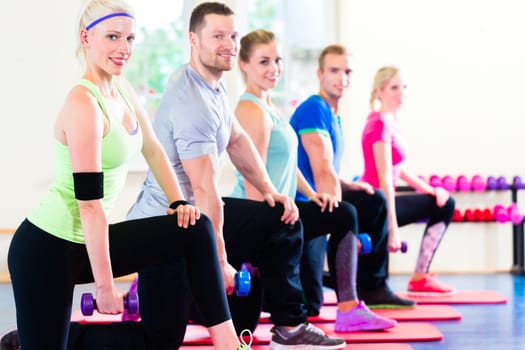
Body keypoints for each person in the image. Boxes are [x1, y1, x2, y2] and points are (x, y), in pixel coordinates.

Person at [1, 1, 250, 349]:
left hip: (89, 241)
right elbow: (89, 206)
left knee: (195, 227)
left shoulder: (122, 90)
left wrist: (178, 201)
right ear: (86, 37)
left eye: (130, 38)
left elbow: (154, 150)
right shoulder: (82, 104)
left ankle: (229, 343)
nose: (124, 48)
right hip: (46, 249)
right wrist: (104, 285)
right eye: (113, 37)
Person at [126, 2, 346, 349]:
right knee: (157, 339)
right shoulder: (192, 101)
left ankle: (287, 325)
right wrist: (221, 262)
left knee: (281, 217)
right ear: (193, 40)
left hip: (189, 221)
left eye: (232, 35)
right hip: (163, 228)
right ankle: (47, 340)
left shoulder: (213, 87)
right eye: (217, 36)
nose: (228, 43)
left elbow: (238, 142)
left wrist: (271, 190)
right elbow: (205, 188)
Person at [232, 29, 396, 333]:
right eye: (263, 61)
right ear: (244, 65)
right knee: (242, 325)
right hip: (261, 211)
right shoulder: (250, 110)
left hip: (282, 209)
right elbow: (252, 174)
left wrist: (312, 194)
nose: (273, 69)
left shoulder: (272, 108)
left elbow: (289, 166)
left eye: (277, 60)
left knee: (341, 213)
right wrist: (260, 235)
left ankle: (349, 309)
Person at [290, 44, 416, 310]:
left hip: (320, 197)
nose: (341, 78)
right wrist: (339, 219)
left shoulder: (333, 115)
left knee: (373, 200)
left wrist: (349, 186)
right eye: (334, 70)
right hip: (301, 205)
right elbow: (322, 169)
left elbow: (326, 172)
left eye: (347, 71)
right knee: (309, 305)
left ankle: (374, 287)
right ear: (320, 74)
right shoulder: (314, 109)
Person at [360, 66, 456, 295]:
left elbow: (397, 169)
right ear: (380, 91)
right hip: (375, 204)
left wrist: (430, 190)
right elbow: (384, 179)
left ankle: (420, 277)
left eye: (403, 87)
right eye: (394, 87)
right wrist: (392, 229)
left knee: (443, 202)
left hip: (381, 200)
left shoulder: (388, 121)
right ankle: (419, 277)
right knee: (367, 282)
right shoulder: (380, 123)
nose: (401, 93)